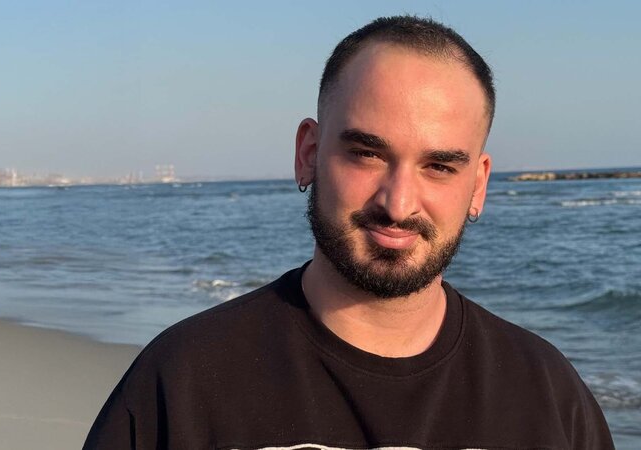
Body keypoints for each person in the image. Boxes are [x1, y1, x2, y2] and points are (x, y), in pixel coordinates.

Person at [84, 15, 614, 449]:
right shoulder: (183, 380)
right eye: (366, 154)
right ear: (309, 153)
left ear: (477, 185)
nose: (398, 203)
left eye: (439, 166)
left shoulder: (547, 396)